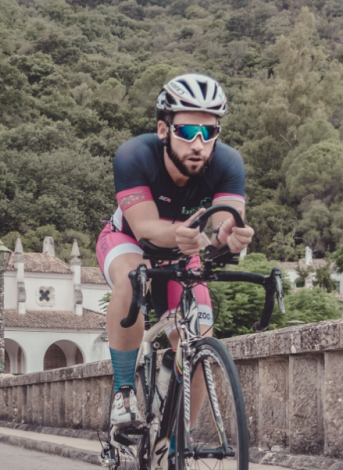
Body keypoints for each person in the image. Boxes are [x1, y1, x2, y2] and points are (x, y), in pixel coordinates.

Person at [97, 73, 254, 459]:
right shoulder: (135, 154)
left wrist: (228, 238)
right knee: (134, 280)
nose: (199, 143)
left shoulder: (228, 162)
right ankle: (124, 392)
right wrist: (185, 236)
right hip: (128, 239)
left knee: (200, 332)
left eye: (210, 130)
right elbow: (147, 228)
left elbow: (225, 222)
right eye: (187, 130)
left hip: (184, 248)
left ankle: (175, 440)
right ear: (163, 129)